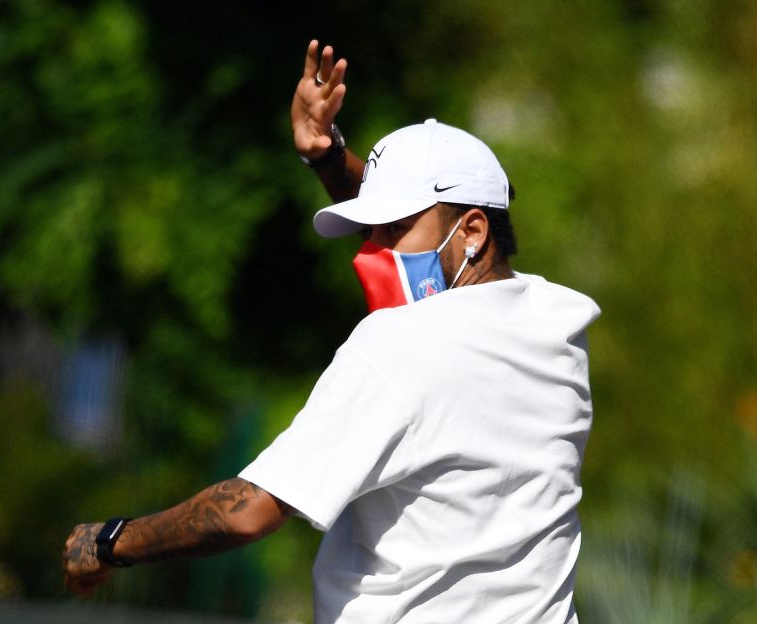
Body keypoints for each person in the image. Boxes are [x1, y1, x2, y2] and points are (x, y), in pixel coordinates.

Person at [63, 40, 600, 624]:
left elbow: (247, 512)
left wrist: (110, 542)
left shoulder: (398, 347)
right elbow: (431, 248)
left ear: (473, 230)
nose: (377, 252)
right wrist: (329, 158)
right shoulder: (556, 326)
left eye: (393, 227)